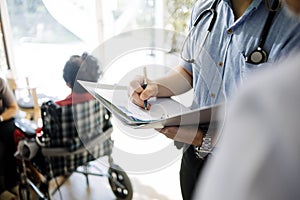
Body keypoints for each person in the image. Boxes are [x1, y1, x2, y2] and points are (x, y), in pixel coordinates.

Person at [129, 0, 300, 199]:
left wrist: (202, 139)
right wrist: (154, 87)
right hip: (194, 157)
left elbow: (283, 127)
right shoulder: (205, 7)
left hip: (247, 167)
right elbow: (189, 71)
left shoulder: (292, 24)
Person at [0, 77, 19, 200]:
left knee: (11, 131)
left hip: (1, 120)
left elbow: (13, 107)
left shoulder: (0, 82)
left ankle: (12, 182)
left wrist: (0, 118)